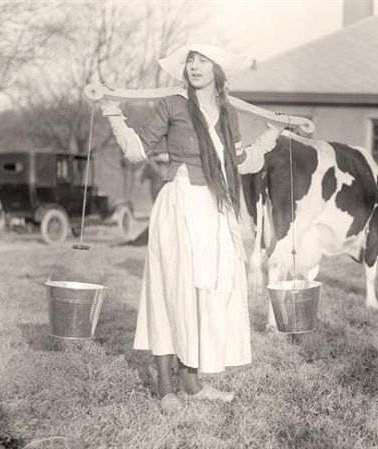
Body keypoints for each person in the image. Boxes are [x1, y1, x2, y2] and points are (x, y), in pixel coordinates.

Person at [100, 43, 283, 413]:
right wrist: (112, 113)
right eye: (191, 60)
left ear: (217, 69)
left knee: (210, 293)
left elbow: (241, 161)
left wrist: (273, 133)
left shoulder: (228, 113)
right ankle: (166, 388)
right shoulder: (172, 105)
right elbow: (137, 151)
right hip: (180, 204)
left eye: (203, 60)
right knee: (173, 291)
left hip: (215, 207)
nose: (195, 66)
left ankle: (193, 384)